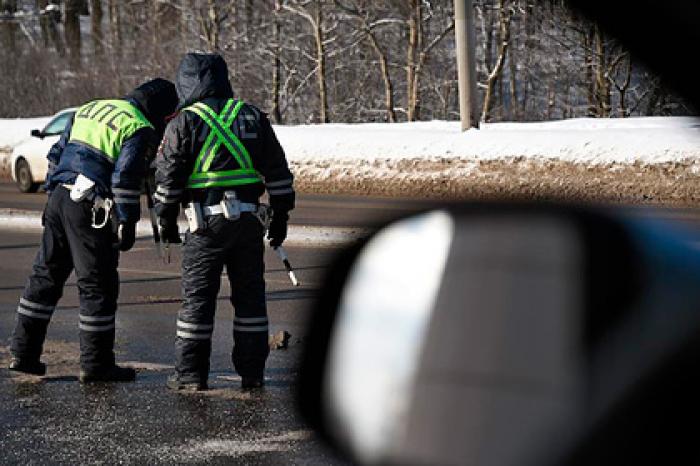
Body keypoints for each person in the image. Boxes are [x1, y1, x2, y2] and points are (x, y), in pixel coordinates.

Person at [9, 79, 178, 383]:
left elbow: (55, 154)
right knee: (97, 285)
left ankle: (24, 353)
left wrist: (53, 195)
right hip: (90, 205)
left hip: (60, 196)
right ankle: (96, 364)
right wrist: (126, 222)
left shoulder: (91, 108)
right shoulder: (139, 127)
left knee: (45, 276)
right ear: (160, 113)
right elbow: (125, 179)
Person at [154, 53, 295, 390]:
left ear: (185, 82)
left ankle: (190, 376)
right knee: (250, 301)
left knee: (198, 303)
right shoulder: (251, 116)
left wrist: (165, 219)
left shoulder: (183, 121)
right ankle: (252, 374)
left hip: (205, 226)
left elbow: (169, 177)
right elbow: (278, 170)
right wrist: (281, 216)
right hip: (248, 223)